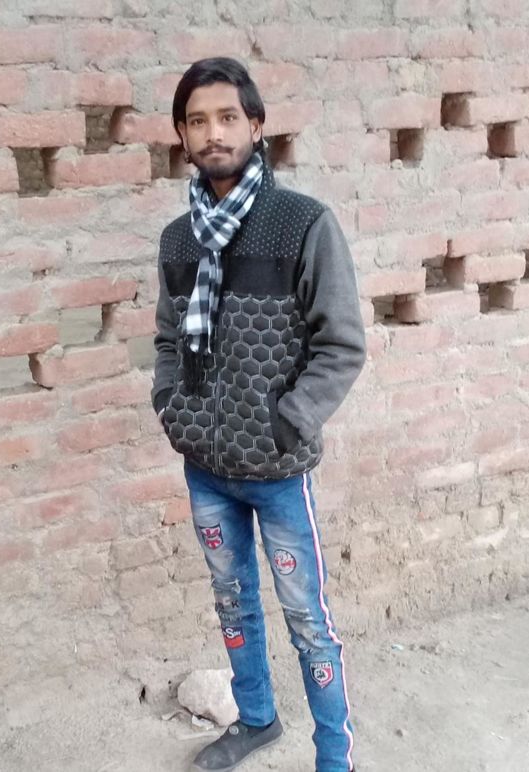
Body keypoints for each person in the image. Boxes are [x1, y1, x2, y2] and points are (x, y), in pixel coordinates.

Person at [151, 57, 366, 772]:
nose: (213, 133)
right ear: (182, 135)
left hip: (278, 472)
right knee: (232, 604)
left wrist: (288, 420)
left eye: (227, 117)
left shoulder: (302, 224)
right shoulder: (178, 239)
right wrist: (172, 406)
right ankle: (256, 720)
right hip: (206, 468)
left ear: (256, 125)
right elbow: (167, 337)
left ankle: (334, 757)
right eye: (197, 121)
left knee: (307, 619)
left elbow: (342, 345)